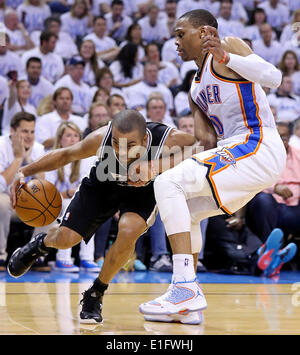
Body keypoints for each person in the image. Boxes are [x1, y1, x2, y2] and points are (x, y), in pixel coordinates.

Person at [137, 9, 288, 324]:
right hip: (239, 154)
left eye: (181, 34)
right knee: (186, 207)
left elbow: (274, 77)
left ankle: (183, 288)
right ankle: (187, 302)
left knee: (168, 184)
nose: (175, 41)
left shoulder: (229, 46)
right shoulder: (194, 89)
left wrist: (226, 56)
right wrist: (157, 163)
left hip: (258, 142)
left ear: (204, 31)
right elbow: (205, 145)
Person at [7, 109, 196, 324]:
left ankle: (95, 292)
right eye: (116, 143)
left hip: (142, 194)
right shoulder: (101, 137)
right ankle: (40, 244)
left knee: (128, 230)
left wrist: (156, 166)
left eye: (130, 145)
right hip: (102, 185)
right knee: (66, 239)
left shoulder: (167, 138)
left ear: (144, 138)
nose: (121, 151)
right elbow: (66, 154)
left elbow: (202, 145)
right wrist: (24, 171)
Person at [40, 121, 99, 273]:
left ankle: (87, 258)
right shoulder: (51, 158)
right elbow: (47, 193)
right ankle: (62, 258)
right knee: (69, 206)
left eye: (76, 136)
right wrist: (67, 193)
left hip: (77, 200)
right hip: (54, 203)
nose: (73, 139)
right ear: (60, 139)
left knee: (91, 208)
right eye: (68, 135)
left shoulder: (87, 159)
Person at [0, 112, 45, 271]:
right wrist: (18, 158)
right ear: (12, 131)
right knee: (2, 202)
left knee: (51, 203)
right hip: (7, 202)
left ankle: (33, 255)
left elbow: (44, 184)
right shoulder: (1, 146)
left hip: (26, 203)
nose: (29, 136)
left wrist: (28, 159)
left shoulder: (38, 149)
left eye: (32, 132)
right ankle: (1, 256)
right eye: (25, 131)